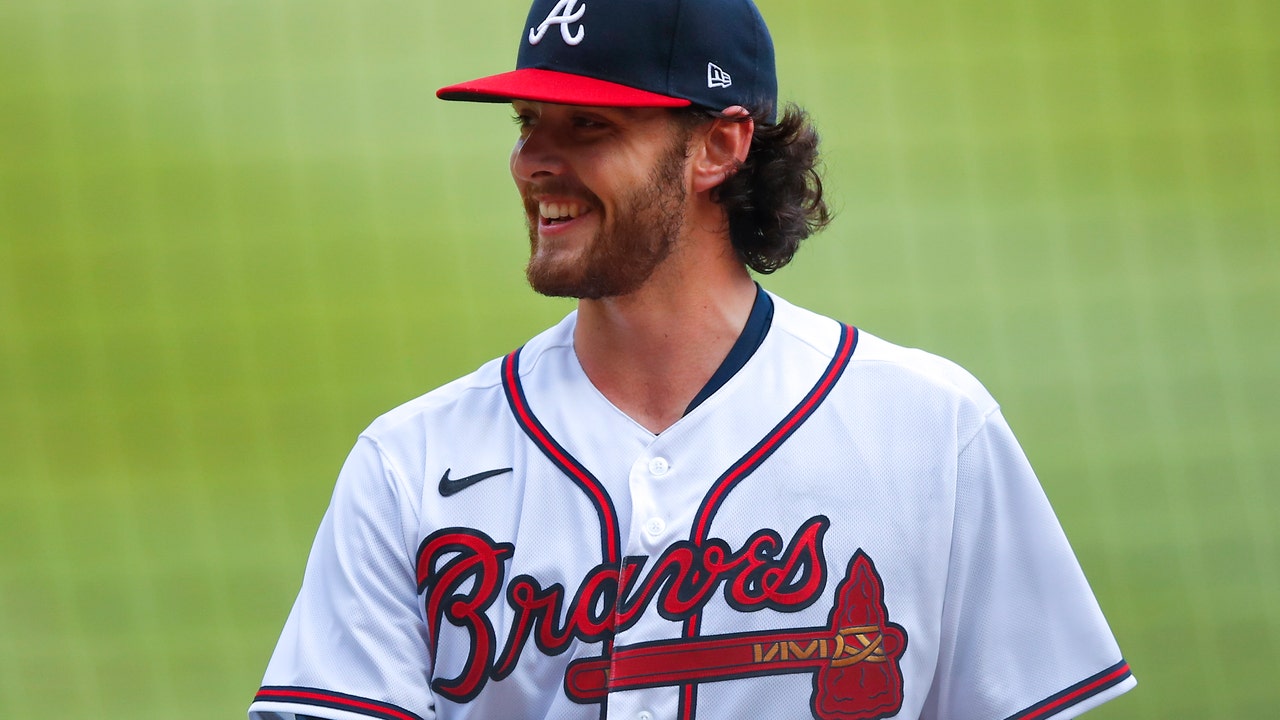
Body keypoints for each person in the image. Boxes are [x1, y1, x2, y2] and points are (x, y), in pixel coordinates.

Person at [249, 1, 1136, 719]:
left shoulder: (932, 433)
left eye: (588, 125)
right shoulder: (409, 464)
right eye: (529, 123)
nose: (533, 163)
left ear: (720, 145)